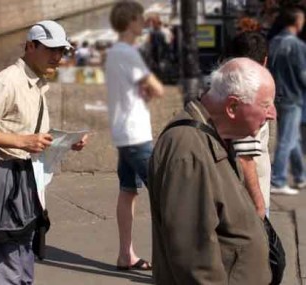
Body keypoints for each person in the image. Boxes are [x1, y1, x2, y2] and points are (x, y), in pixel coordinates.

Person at [0, 20, 87, 285]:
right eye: (51, 50)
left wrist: (64, 142)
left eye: (61, 51)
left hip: (21, 183)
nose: (57, 57)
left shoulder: (36, 82)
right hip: (0, 185)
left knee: (22, 261)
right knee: (6, 267)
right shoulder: (7, 82)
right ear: (30, 46)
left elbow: (28, 133)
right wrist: (21, 142)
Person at [148, 58, 276, 284]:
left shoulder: (216, 136)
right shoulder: (188, 148)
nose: (272, 114)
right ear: (232, 107)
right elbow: (194, 260)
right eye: (266, 105)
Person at [105, 0, 164, 270]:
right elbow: (156, 89)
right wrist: (150, 88)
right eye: (140, 20)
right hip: (136, 135)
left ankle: (125, 254)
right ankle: (168, 262)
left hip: (122, 133)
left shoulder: (114, 53)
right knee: (166, 194)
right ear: (130, 22)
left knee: (128, 192)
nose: (143, 24)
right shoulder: (129, 53)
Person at [223, 31, 273, 218]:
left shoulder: (220, 87)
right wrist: (259, 205)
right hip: (247, 199)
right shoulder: (249, 97)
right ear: (265, 61)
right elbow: (245, 158)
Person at [268, 7, 306, 194]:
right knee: (286, 140)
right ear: (298, 22)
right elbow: (303, 74)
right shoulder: (298, 46)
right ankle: (278, 179)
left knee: (293, 137)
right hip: (293, 96)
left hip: (278, 95)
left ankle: (300, 176)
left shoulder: (274, 42)